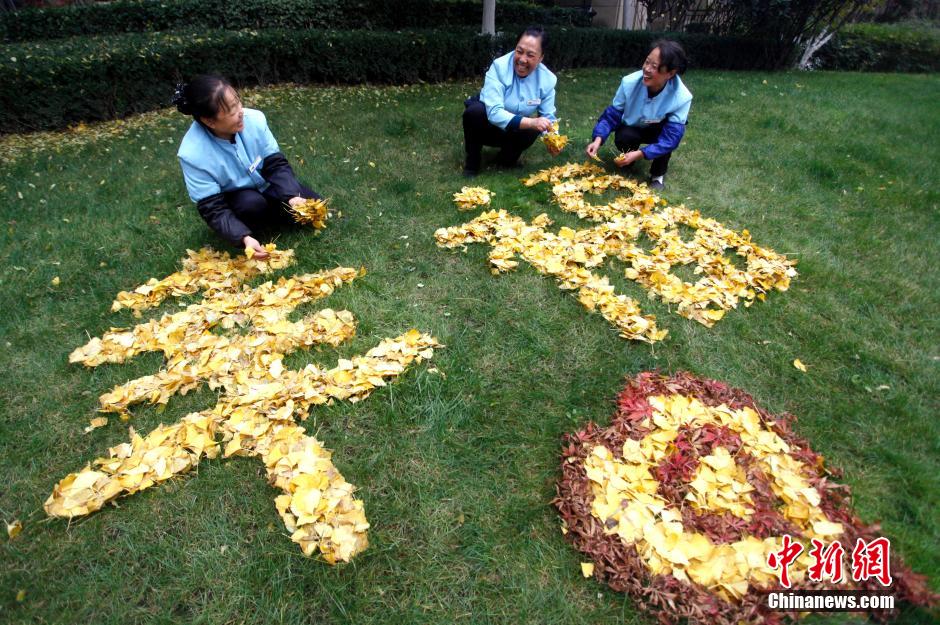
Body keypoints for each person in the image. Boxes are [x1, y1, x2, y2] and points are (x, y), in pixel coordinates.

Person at [173, 75, 320, 259]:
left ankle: (278, 211)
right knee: (252, 204)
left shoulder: (255, 119)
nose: (241, 112)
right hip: (238, 199)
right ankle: (252, 228)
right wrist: (243, 238)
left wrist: (291, 196)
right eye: (231, 111)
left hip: (267, 184)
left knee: (313, 205)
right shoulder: (192, 154)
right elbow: (213, 208)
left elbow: (275, 165)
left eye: (238, 103)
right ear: (209, 121)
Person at [585, 40, 692, 191]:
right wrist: (598, 139)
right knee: (624, 136)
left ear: (670, 73)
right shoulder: (629, 82)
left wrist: (642, 153)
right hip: (633, 127)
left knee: (665, 143)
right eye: (647, 62)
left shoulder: (682, 97)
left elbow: (671, 138)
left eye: (654, 67)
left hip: (658, 130)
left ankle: (657, 175)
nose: (646, 69)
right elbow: (612, 116)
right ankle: (628, 161)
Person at [462, 26, 559, 177]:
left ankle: (506, 159)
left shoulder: (548, 79)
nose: (522, 59)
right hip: (488, 122)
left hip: (514, 127)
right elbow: (494, 113)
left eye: (530, 55)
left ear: (541, 58)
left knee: (538, 126)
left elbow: (548, 117)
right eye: (519, 51)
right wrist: (532, 122)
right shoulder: (499, 67)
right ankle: (472, 162)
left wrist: (553, 138)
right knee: (474, 113)